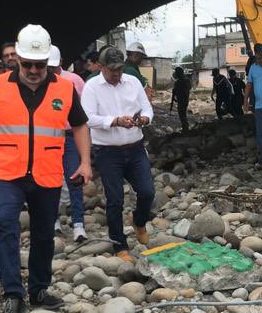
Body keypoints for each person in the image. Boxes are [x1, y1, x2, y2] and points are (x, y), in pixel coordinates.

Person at [0, 25, 91, 313]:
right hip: (7, 171)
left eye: (39, 65)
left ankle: (39, 290)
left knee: (44, 235)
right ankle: (13, 295)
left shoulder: (64, 89)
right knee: (4, 225)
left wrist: (84, 162)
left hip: (47, 172)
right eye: (26, 64)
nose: (32, 70)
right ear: (16, 59)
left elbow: (79, 125)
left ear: (47, 62)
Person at [81, 46, 155, 262]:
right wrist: (114, 121)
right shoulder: (92, 86)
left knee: (147, 191)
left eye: (120, 69)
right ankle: (119, 245)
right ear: (101, 67)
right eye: (112, 69)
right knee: (115, 200)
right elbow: (86, 118)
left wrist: (144, 119)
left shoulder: (132, 82)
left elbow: (147, 108)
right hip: (107, 151)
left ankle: (139, 221)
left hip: (135, 147)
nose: (117, 73)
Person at [49, 45, 89, 242]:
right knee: (51, 180)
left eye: (54, 68)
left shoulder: (74, 81)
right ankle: (53, 221)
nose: (51, 72)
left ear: (61, 63)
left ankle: (78, 224)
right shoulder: (39, 82)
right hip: (48, 137)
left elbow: (83, 111)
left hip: (70, 136)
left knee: (74, 179)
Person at [170, 66, 191, 132]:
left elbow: (180, 92)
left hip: (182, 101)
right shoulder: (186, 80)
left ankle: (185, 128)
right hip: (184, 100)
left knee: (182, 115)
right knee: (183, 114)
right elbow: (188, 89)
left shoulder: (179, 82)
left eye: (176, 72)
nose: (175, 74)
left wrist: (177, 97)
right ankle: (185, 127)